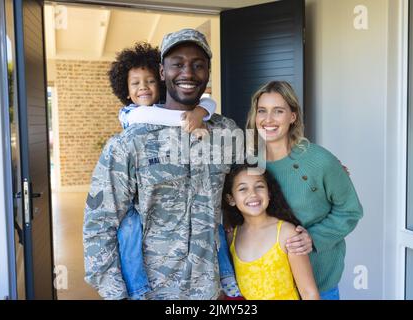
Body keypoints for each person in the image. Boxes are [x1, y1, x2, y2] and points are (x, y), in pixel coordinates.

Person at [83, 29, 240, 300]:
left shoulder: (225, 132)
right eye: (177, 64)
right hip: (151, 291)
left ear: (208, 72)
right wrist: (116, 294)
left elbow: (261, 183)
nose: (188, 73)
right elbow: (99, 225)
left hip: (209, 290)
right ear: (162, 71)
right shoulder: (129, 143)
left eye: (198, 65)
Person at [246, 81, 363, 300]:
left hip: (318, 286)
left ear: (293, 116)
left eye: (278, 111)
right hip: (267, 288)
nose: (268, 119)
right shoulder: (248, 163)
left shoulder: (320, 161)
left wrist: (313, 237)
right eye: (262, 111)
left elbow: (350, 211)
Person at [222, 163, 320, 300]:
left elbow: (309, 293)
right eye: (243, 189)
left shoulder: (287, 233)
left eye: (259, 186)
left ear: (269, 193)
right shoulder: (232, 237)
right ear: (231, 199)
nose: (253, 194)